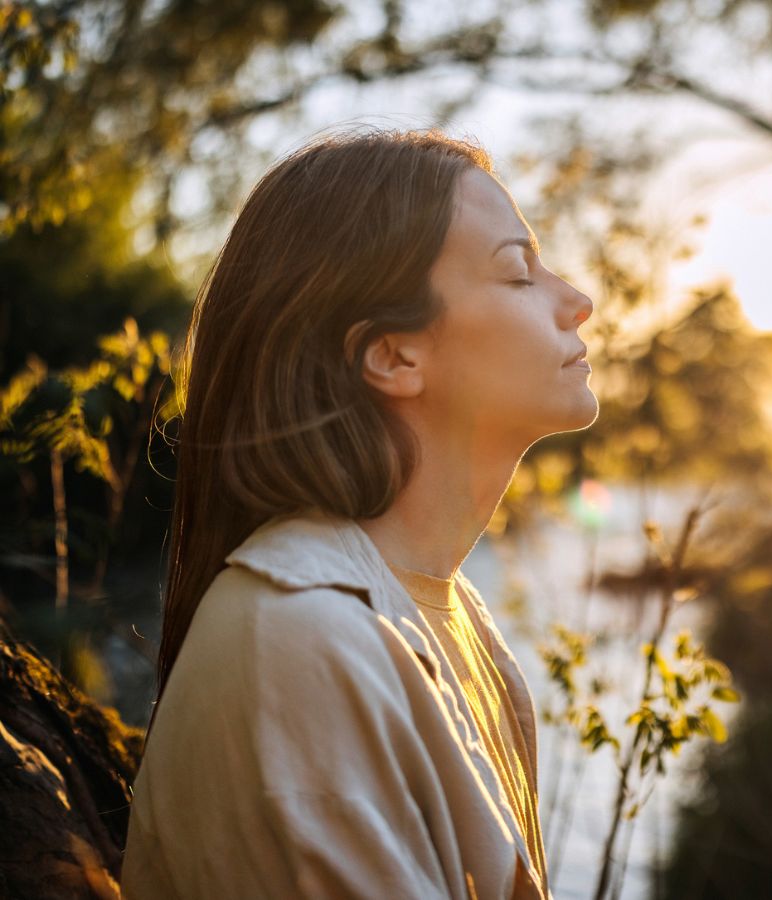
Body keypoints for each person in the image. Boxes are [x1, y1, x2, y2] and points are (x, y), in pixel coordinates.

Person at [120, 125, 597, 900]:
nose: (578, 302)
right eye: (518, 273)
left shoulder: (450, 619)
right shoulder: (298, 638)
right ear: (394, 356)